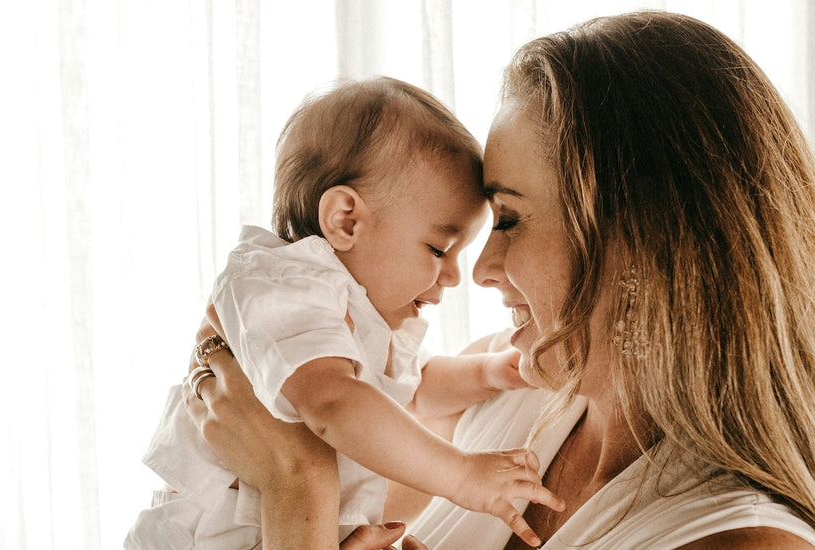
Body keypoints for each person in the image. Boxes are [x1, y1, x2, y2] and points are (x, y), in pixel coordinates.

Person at [186, 11, 815, 550]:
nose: (478, 270)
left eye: (507, 220)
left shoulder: (743, 543)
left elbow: (306, 479)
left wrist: (297, 485)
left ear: (639, 242)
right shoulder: (497, 408)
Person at [125, 77, 563, 550]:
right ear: (345, 220)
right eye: (440, 248)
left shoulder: (359, 314)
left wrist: (488, 373)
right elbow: (335, 403)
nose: (457, 275)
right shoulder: (283, 283)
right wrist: (461, 475)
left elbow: (409, 392)